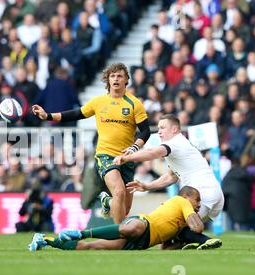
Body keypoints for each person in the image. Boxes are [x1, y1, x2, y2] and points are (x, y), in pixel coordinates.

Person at [32, 63, 150, 223]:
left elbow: (146, 131)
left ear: (126, 80)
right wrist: (48, 116)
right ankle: (120, 235)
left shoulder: (134, 104)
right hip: (105, 155)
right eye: (113, 76)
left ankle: (106, 201)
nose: (116, 79)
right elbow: (75, 114)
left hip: (127, 159)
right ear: (108, 80)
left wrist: (135, 147)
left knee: (125, 207)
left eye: (120, 76)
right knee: (119, 191)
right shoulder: (99, 102)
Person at [112, 114, 225, 249]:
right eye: (159, 128)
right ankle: (187, 242)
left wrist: (127, 158)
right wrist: (147, 186)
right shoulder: (180, 144)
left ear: (175, 129)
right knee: (170, 239)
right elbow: (170, 177)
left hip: (202, 192)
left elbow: (152, 153)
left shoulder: (175, 143)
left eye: (163, 128)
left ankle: (206, 241)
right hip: (210, 192)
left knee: (175, 224)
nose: (159, 131)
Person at [29, 186, 222, 251]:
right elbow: (196, 228)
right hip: (144, 223)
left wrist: (180, 243)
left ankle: (45, 241)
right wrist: (193, 230)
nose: (198, 204)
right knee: (131, 228)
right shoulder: (182, 201)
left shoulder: (178, 221)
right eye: (197, 200)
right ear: (188, 197)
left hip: (143, 243)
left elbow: (165, 248)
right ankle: (80, 232)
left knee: (92, 247)